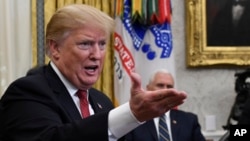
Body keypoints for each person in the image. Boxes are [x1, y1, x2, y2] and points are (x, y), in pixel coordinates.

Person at [0, 4, 187, 141]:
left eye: (102, 44)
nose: (97, 55)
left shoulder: (101, 101)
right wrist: (130, 114)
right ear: (55, 48)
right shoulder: (28, 92)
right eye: (85, 44)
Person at [124, 69, 205, 141]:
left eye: (169, 86)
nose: (165, 90)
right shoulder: (135, 121)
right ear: (148, 88)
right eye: (160, 85)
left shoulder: (189, 120)